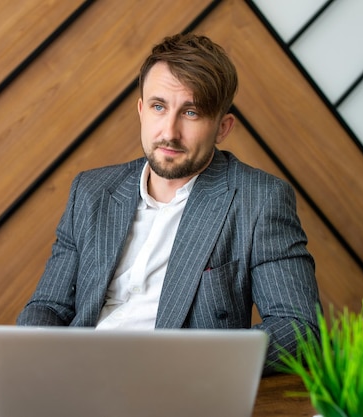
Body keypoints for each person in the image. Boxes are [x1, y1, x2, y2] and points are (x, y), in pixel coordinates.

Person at [17, 33, 320, 374]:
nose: (170, 132)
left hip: (175, 386)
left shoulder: (259, 200)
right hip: (77, 378)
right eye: (159, 107)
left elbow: (299, 328)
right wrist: (34, 359)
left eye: (191, 112)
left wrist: (191, 366)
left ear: (223, 127)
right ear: (142, 110)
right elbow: (48, 306)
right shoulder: (91, 191)